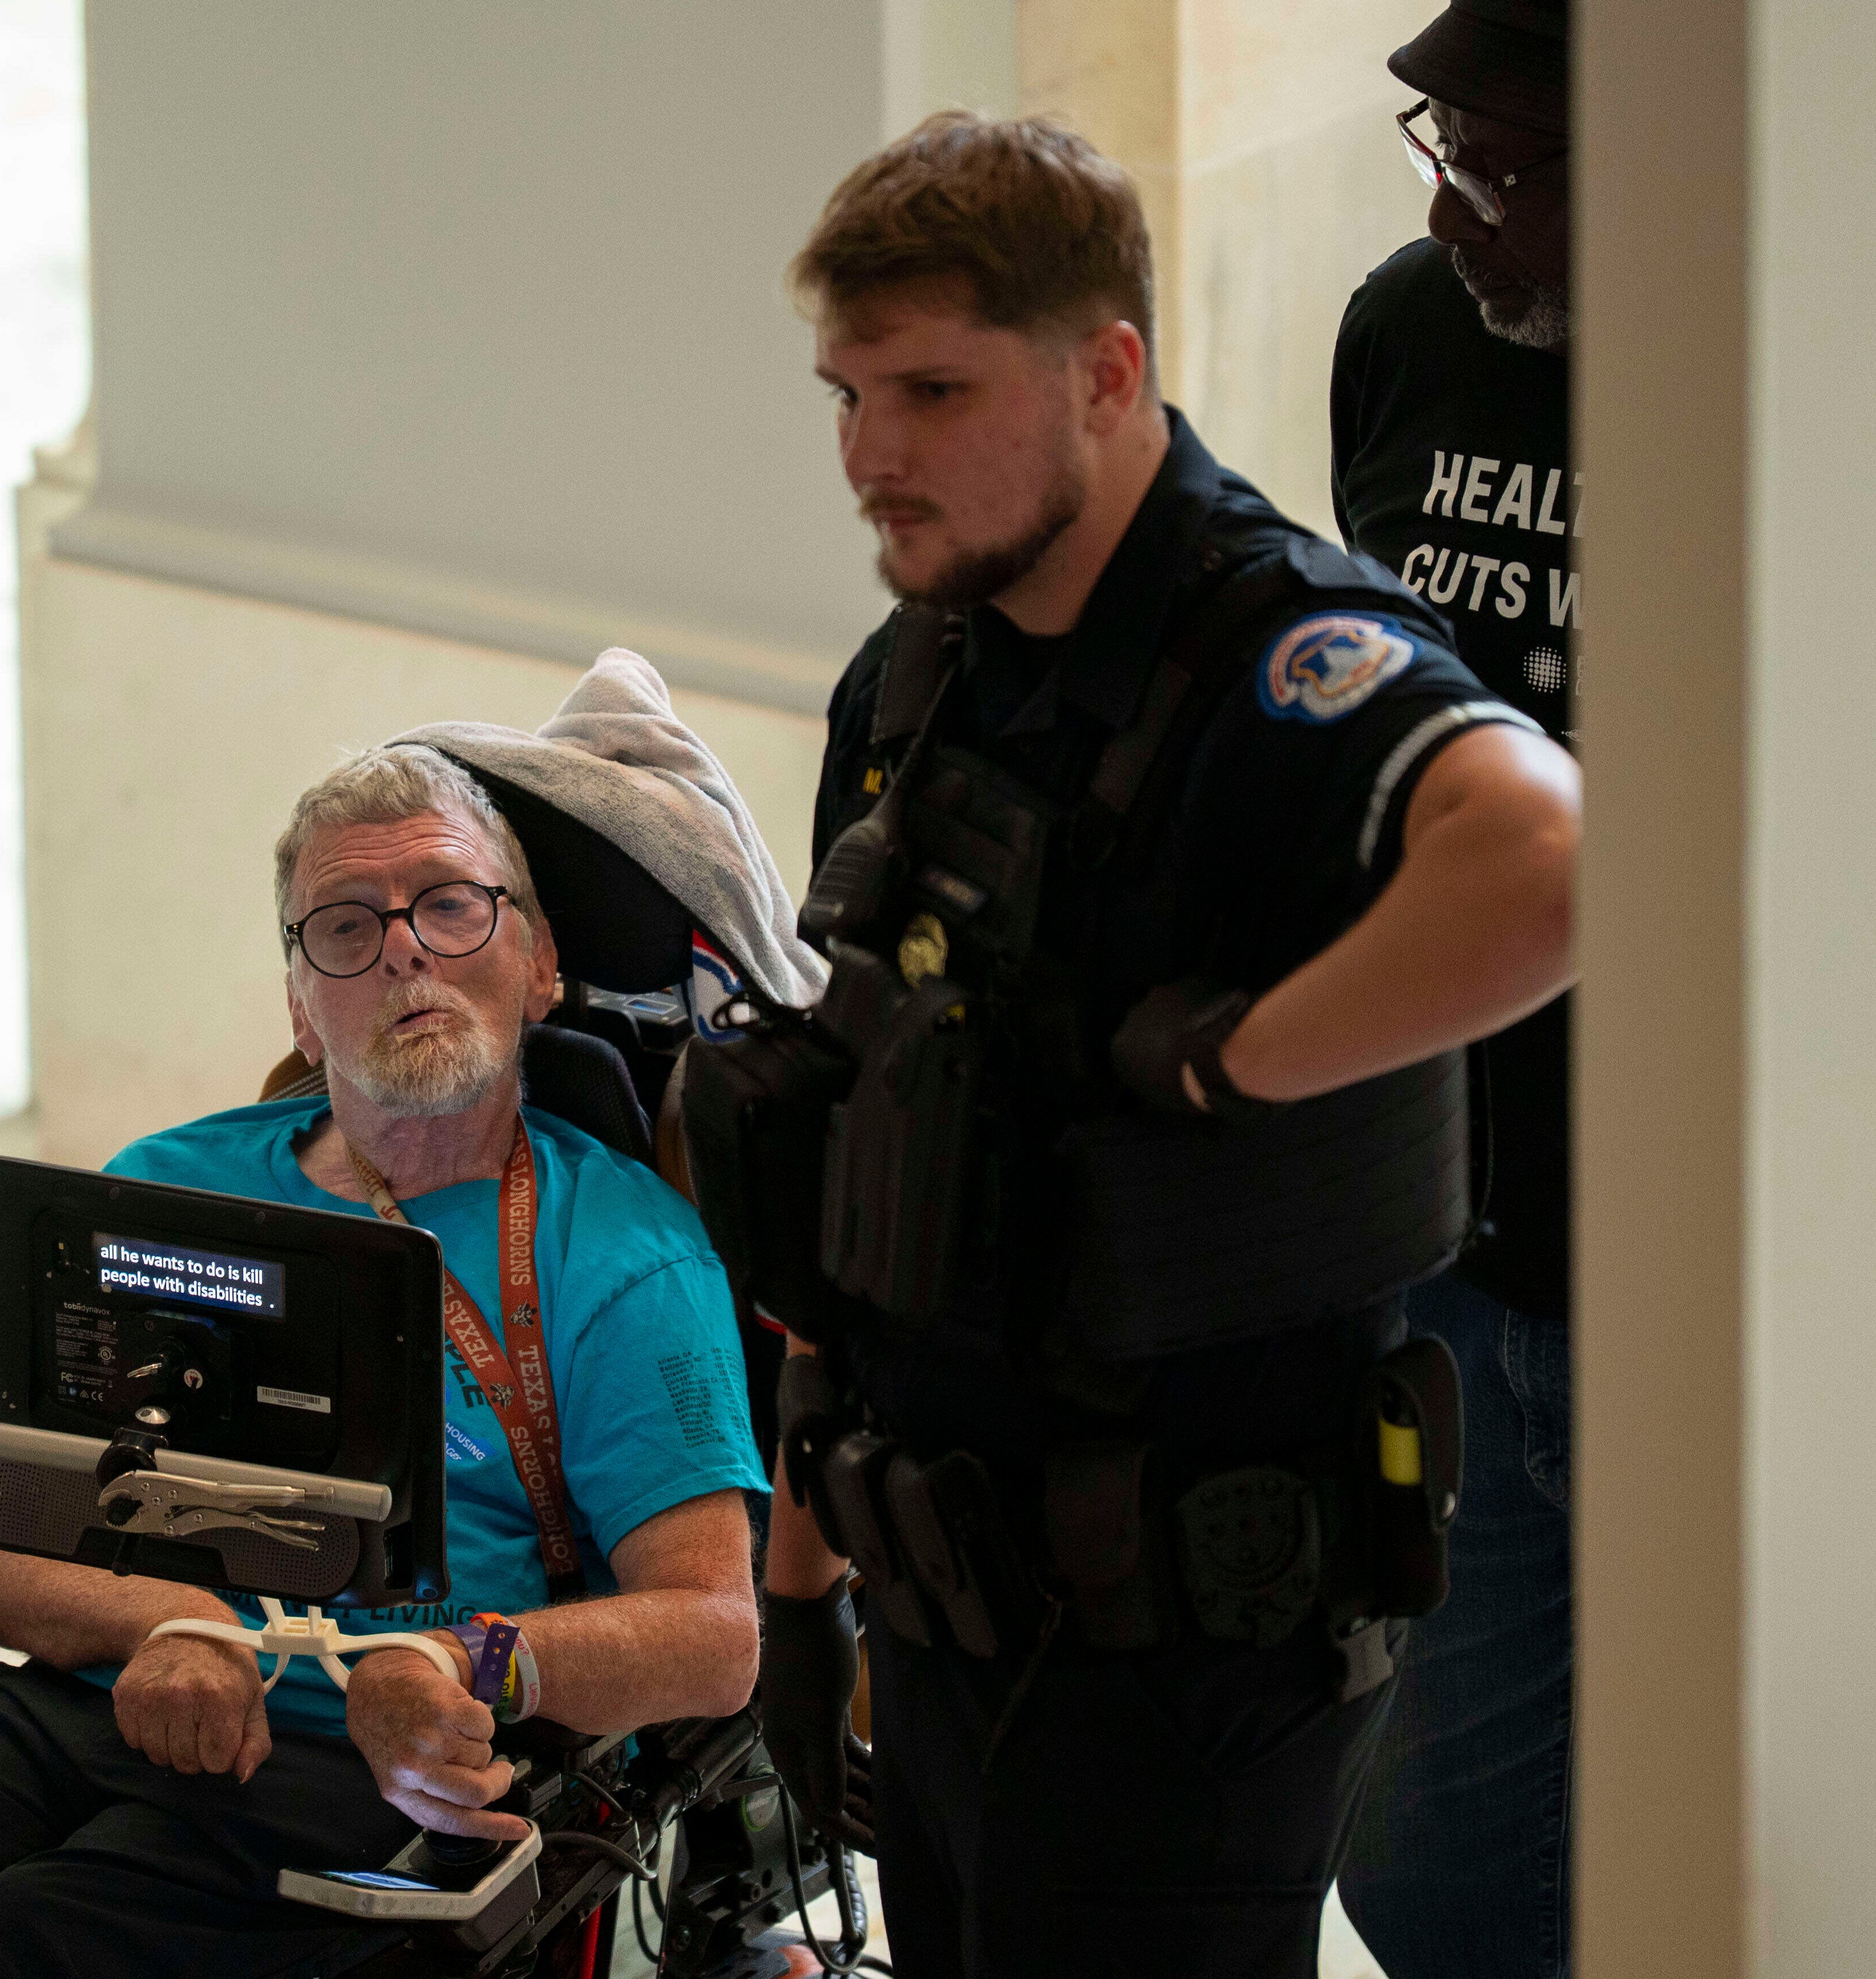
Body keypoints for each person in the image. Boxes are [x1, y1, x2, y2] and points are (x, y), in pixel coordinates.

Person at [743, 114, 1581, 1976]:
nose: (871, 454)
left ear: (1104, 371)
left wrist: (1229, 1064)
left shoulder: (1271, 655)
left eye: (933, 389)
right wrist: (797, 1592)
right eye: (846, 391)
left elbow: (1543, 860)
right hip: (936, 1612)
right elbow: (844, 1142)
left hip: (1177, 1668)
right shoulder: (920, 667)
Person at [0, 746, 772, 1979]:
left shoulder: (622, 1254)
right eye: (347, 924)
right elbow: (2, 1554)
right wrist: (173, 1623)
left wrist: (457, 1660)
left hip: (375, 1746)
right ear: (300, 1002)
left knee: (53, 1933)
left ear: (540, 961)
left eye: (451, 903)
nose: (404, 949)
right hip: (120, 1687)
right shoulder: (155, 1194)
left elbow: (715, 1635)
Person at [1327, 6, 1575, 1975]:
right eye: (1443, 149)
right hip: (1446, 1240)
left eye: (1516, 170)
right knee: (1428, 1876)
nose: (1464, 214)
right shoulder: (1403, 333)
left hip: (1705, 1291)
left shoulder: (1791, 376)